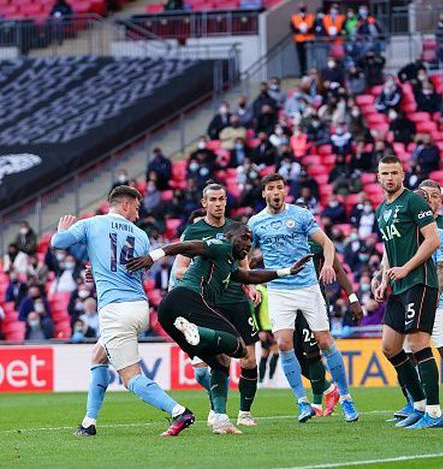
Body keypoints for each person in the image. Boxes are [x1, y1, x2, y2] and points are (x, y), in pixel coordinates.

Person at [126, 222, 312, 434]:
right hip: (187, 300)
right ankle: (198, 332)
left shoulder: (228, 263)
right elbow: (184, 246)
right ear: (230, 236)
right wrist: (153, 256)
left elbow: (250, 276)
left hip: (169, 312)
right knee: (240, 348)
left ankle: (221, 419)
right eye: (245, 237)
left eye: (251, 240)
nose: (248, 243)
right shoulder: (219, 246)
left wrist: (287, 271)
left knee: (220, 361)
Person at [51, 186, 194, 437]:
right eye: (137, 209)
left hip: (115, 310)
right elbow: (133, 271)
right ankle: (88, 422)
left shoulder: (92, 223)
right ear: (125, 205)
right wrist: (96, 272)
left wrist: (62, 230)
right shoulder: (140, 235)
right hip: (139, 306)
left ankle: (179, 412)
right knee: (98, 356)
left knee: (130, 378)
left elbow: (57, 243)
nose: (138, 215)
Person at [248, 173, 359, 423]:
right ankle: (302, 403)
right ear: (264, 193)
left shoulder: (300, 215)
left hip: (308, 287)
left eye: (279, 187)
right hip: (278, 290)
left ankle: (346, 397)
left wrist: (328, 265)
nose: (276, 192)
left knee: (324, 341)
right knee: (285, 344)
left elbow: (327, 243)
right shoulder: (256, 222)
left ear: (284, 190)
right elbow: (244, 252)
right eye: (271, 189)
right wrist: (251, 283)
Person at [171, 184, 263, 428]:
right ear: (204, 203)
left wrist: (251, 286)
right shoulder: (194, 230)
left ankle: (244, 412)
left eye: (222, 199)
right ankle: (219, 411)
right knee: (220, 358)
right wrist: (201, 276)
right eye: (213, 199)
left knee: (249, 360)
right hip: (210, 302)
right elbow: (179, 269)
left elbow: (244, 264)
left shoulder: (235, 229)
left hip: (237, 301)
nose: (218, 203)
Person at [387, 186, 443, 425]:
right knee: (408, 354)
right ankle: (419, 406)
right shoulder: (403, 229)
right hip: (407, 298)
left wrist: (434, 293)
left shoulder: (442, 232)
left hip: (431, 300)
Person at [371, 156, 443, 429]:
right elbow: (391, 248)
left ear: (402, 175)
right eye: (385, 173)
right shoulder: (381, 209)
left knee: (418, 344)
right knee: (389, 348)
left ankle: (434, 414)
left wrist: (406, 268)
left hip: (419, 281)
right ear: (378, 177)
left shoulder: (413, 201)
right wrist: (383, 278)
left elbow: (433, 240)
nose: (389, 177)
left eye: (394, 173)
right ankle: (419, 405)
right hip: (398, 285)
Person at [293, 197, 364, 416]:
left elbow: (339, 270)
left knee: (312, 352)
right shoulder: (284, 241)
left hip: (313, 301)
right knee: (297, 356)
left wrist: (352, 299)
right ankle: (328, 389)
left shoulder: (317, 241)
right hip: (288, 302)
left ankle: (331, 400)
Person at [291, 3, 315, 76]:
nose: (302, 8)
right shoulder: (294, 17)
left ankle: (312, 72)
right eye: (301, 7)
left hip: (309, 39)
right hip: (299, 40)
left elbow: (314, 27)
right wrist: (300, 30)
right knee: (301, 57)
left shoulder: (311, 16)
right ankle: (303, 73)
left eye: (303, 7)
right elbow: (293, 28)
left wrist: (307, 30)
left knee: (311, 57)